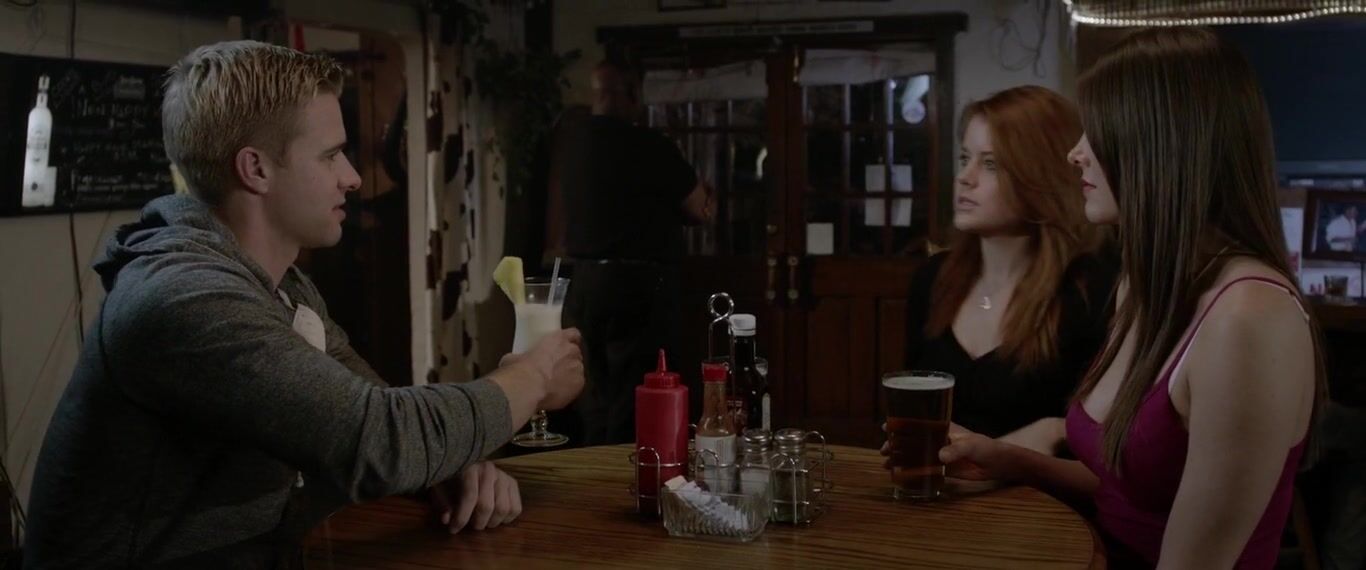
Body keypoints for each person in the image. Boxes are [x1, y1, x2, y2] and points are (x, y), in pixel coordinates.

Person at [23, 41, 585, 568]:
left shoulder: (281, 285)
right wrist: (532, 375)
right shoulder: (185, 300)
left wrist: (444, 464)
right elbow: (379, 441)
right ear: (256, 169)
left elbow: (366, 416)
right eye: (332, 155)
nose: (352, 178)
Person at [926, 28, 1325, 568]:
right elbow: (1129, 491)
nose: (1075, 154)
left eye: (1097, 132)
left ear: (1161, 145)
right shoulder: (1140, 285)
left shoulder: (1249, 317)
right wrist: (1010, 460)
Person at [904, 86, 1115, 457]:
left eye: (991, 164)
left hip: (1040, 494)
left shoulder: (1089, 292)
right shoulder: (933, 278)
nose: (965, 177)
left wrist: (1054, 432)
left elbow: (1107, 439)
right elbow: (908, 413)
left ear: (1041, 175)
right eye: (965, 158)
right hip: (937, 487)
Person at [557, 60, 713, 445]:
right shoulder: (651, 145)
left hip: (583, 281)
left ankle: (593, 464)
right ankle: (626, 467)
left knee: (593, 392)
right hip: (638, 283)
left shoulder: (570, 145)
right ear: (632, 94)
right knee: (637, 391)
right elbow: (700, 209)